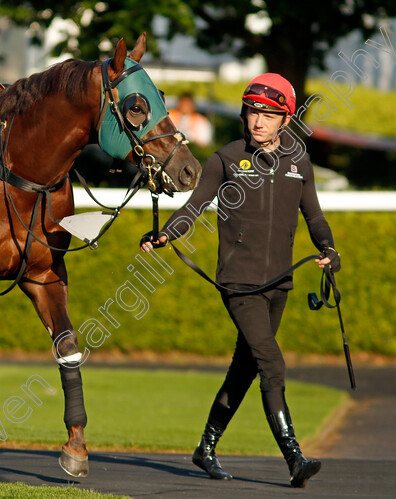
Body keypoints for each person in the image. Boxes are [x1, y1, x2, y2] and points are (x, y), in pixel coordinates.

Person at [140, 73, 340, 488]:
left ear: (285, 119)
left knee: (245, 367)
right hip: (239, 284)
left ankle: (206, 448)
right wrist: (165, 234)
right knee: (272, 364)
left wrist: (329, 249)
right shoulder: (226, 159)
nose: (258, 121)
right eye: (252, 112)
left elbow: (314, 215)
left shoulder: (298, 161)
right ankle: (295, 459)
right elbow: (193, 208)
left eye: (268, 114)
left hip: (279, 283)